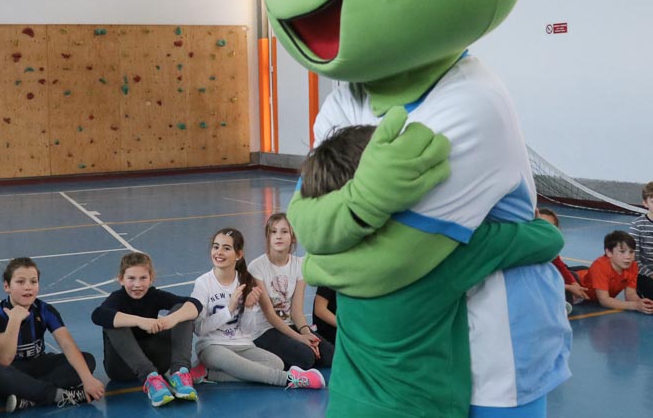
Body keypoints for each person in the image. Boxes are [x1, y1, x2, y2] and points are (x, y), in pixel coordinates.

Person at [300, 123, 566, 417]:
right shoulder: (439, 255)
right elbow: (547, 240)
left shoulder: (327, 254)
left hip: (346, 404)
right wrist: (535, 221)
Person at [190, 227, 325, 390]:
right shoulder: (203, 283)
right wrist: (229, 309)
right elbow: (199, 329)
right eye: (216, 246)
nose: (219, 252)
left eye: (226, 248)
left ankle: (207, 374)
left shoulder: (245, 282)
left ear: (238, 255)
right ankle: (290, 379)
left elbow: (247, 330)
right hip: (212, 347)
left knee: (276, 363)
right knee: (230, 360)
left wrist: (248, 308)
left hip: (242, 345)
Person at [0, 257, 105, 412]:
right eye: (20, 282)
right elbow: (4, 360)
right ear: (7, 286)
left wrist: (87, 380)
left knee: (87, 360)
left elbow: (67, 345)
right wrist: (14, 320)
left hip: (39, 366)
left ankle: (29, 399)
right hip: (12, 372)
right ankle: (60, 395)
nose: (28, 287)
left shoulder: (44, 310)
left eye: (33, 282)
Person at [90, 252, 201, 407]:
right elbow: (97, 315)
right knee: (112, 321)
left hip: (158, 362)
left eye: (143, 278)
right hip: (122, 367)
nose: (137, 284)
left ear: (151, 278)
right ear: (121, 279)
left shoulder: (154, 295)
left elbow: (195, 304)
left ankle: (180, 374)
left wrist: (170, 319)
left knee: (182, 310)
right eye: (131, 278)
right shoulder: (117, 298)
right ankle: (150, 379)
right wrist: (140, 321)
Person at [247, 213, 333, 369]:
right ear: (268, 237)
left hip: (291, 325)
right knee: (306, 358)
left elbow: (296, 312)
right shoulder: (256, 267)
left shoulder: (299, 265)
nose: (278, 236)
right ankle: (261, 356)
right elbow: (270, 315)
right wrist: (300, 339)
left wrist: (306, 333)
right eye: (273, 232)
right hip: (266, 330)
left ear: (293, 237)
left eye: (284, 231)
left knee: (329, 356)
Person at [579, 231, 653, 313]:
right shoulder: (599, 266)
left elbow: (630, 294)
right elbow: (604, 300)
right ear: (609, 253)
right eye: (622, 251)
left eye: (631, 252)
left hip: (592, 292)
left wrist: (642, 304)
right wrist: (635, 306)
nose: (628, 257)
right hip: (578, 281)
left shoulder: (633, 265)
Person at [535, 207, 588, 306]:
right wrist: (569, 287)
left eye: (551, 227)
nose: (546, 230)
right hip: (539, 283)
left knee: (576, 274)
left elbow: (560, 265)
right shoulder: (528, 250)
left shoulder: (550, 247)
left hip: (552, 271)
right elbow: (539, 281)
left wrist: (574, 284)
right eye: (541, 225)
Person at [628, 182, 653, 299]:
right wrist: (651, 274)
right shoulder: (637, 225)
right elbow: (634, 260)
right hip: (644, 273)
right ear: (645, 203)